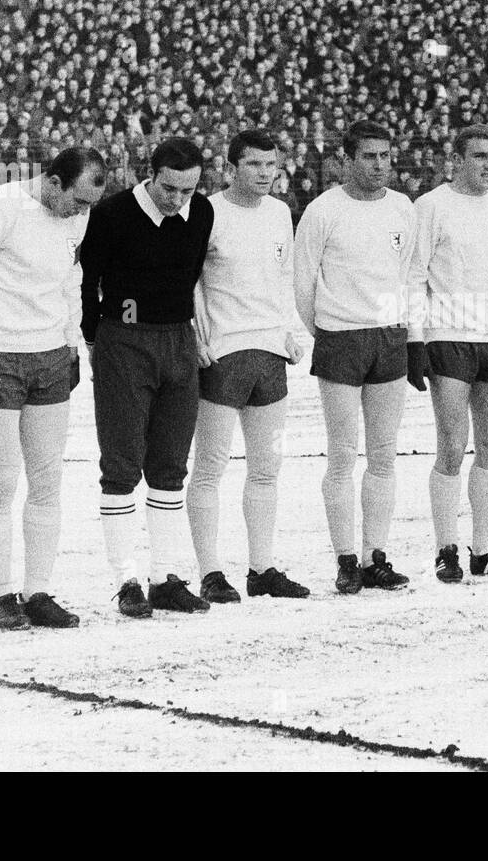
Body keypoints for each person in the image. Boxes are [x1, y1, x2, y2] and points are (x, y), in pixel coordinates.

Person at [0, 147, 106, 630]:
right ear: (54, 182)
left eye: (90, 206)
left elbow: (70, 280)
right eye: (77, 201)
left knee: (47, 482)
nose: (82, 213)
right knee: (1, 482)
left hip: (50, 359)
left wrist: (72, 344)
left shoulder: (76, 219)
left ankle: (37, 591)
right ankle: (1, 596)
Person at [80, 136, 214, 618]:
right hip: (125, 340)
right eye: (170, 188)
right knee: (120, 464)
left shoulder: (201, 214)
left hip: (178, 340)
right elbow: (87, 282)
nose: (179, 199)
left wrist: (193, 334)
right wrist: (97, 341)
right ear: (149, 174)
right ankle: (127, 580)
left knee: (170, 466)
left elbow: (191, 277)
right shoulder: (112, 214)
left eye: (190, 189)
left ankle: (165, 577)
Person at [188, 129, 309, 600]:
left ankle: (262, 569)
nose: (265, 173)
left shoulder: (280, 212)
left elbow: (282, 277)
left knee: (266, 467)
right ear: (231, 167)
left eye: (271, 165)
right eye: (255, 165)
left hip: (268, 355)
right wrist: (197, 336)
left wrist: (286, 332)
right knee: (210, 467)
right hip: (222, 353)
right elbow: (190, 279)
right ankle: (211, 572)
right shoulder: (208, 211)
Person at [293, 120, 414, 594]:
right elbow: (303, 285)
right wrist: (326, 330)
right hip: (341, 338)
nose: (379, 165)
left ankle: (375, 556)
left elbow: (406, 273)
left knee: (383, 453)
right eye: (368, 156)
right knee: (343, 453)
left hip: (388, 336)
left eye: (385, 156)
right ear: (345, 160)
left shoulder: (403, 208)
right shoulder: (323, 211)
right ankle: (345, 557)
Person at [405, 124, 488, 582]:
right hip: (449, 336)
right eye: (479, 155)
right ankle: (446, 549)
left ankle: (483, 548)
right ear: (456, 159)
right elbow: (414, 276)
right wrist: (415, 338)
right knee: (453, 446)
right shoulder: (431, 207)